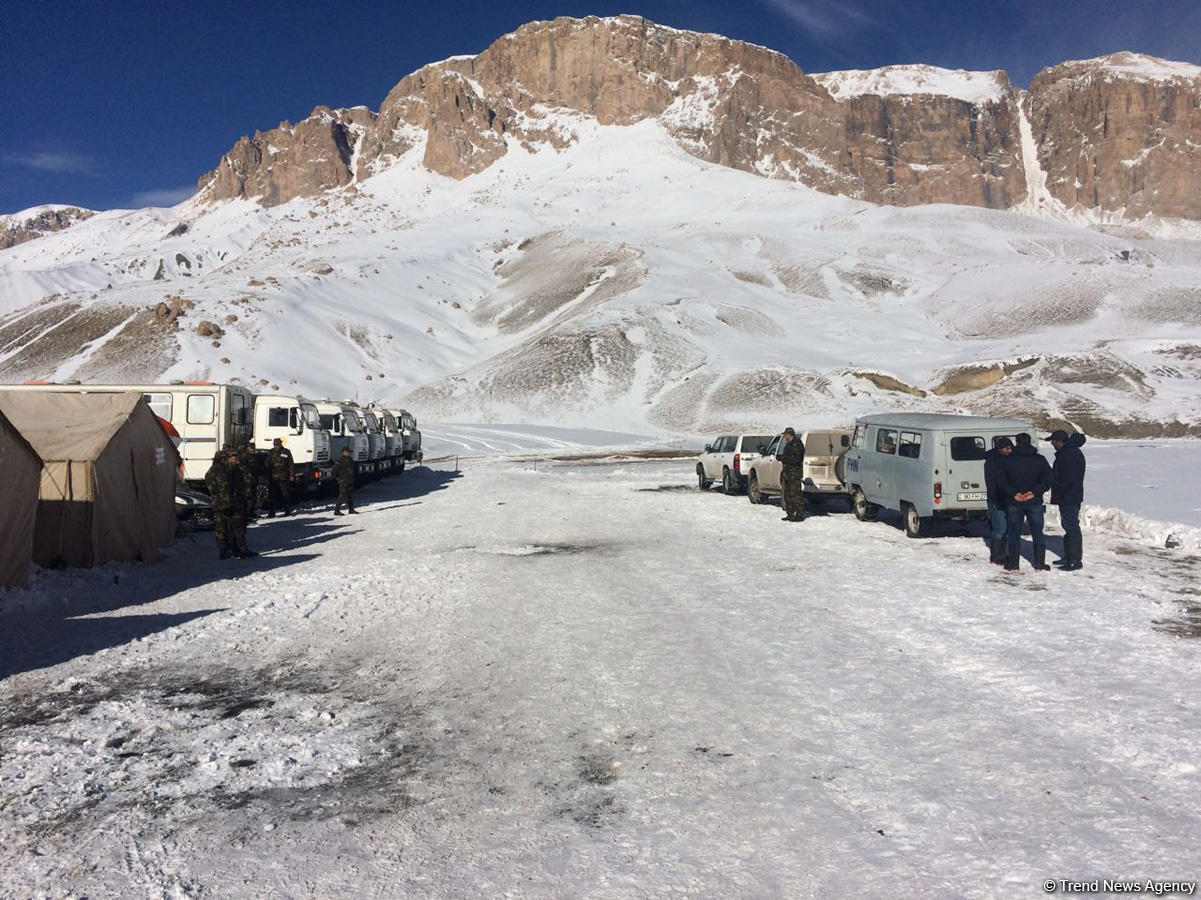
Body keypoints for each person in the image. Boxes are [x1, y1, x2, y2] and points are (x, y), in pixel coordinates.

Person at [999, 432, 1053, 573]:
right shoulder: (1040, 459)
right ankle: (1040, 564)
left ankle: (1013, 564)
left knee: (1014, 532)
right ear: (1030, 442)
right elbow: (1048, 480)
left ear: (1016, 442)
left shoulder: (1007, 460)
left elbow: (1001, 481)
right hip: (1034, 500)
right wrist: (1034, 492)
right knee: (1037, 532)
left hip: (1014, 501)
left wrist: (1014, 493)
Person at [1047, 428, 1087, 572]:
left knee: (1071, 528)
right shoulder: (1069, 452)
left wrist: (1052, 479)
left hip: (1069, 496)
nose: (1052, 444)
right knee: (1069, 526)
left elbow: (1066, 478)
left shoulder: (1068, 454)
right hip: (1070, 495)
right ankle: (1070, 556)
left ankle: (1075, 560)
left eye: (1053, 441)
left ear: (1059, 441)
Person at [205, 451, 256, 559]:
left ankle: (225, 551)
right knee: (237, 527)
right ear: (222, 459)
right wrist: (228, 503)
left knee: (221, 529)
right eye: (226, 458)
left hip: (218, 504)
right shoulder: (224, 470)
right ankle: (240, 549)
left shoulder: (211, 471)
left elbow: (212, 489)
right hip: (228, 504)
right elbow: (227, 488)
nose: (228, 460)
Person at [983, 436, 1014, 566]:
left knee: (1005, 528)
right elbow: (992, 484)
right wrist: (997, 499)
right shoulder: (992, 462)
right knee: (1000, 528)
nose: (1010, 451)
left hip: (1005, 498)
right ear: (1001, 448)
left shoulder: (1002, 459)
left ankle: (1003, 553)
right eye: (1007, 448)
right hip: (997, 500)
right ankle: (996, 556)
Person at [776, 427, 806, 522]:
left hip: (794, 474)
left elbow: (796, 459)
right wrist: (781, 457)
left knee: (795, 495)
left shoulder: (797, 444)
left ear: (790, 434)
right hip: (787, 474)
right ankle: (790, 514)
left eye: (785, 435)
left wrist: (783, 458)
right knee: (787, 495)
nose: (784, 436)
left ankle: (799, 514)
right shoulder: (788, 444)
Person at [267, 437, 295, 517]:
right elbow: (267, 463)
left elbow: (291, 464)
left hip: (283, 476)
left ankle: (287, 511)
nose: (276, 446)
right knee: (272, 495)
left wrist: (292, 475)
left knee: (285, 494)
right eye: (275, 445)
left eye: (277, 445)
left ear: (281, 444)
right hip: (273, 477)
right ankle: (272, 512)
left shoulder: (286, 452)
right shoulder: (271, 452)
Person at [332, 446, 357, 516]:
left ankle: (351, 509)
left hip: (350, 480)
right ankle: (336, 511)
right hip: (343, 480)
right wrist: (338, 479)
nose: (349, 453)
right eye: (348, 452)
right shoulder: (340, 460)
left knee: (350, 496)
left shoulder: (350, 459)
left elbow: (353, 468)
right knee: (342, 496)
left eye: (349, 452)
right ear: (344, 452)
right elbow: (335, 471)